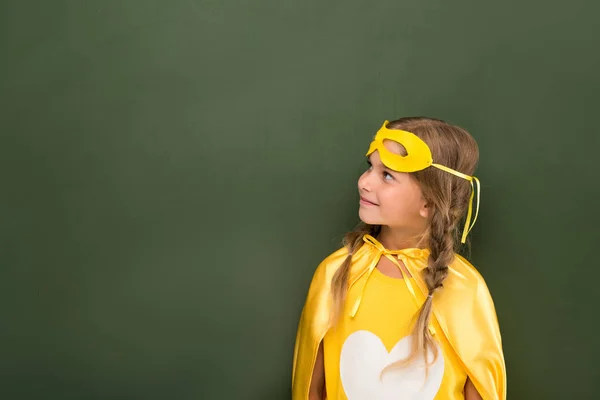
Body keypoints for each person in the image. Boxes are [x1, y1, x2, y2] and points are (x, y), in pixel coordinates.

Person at [292, 117, 506, 400]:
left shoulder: (463, 287)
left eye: (387, 175)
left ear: (428, 202)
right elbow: (311, 385)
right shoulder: (336, 273)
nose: (365, 182)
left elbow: (479, 389)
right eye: (370, 167)